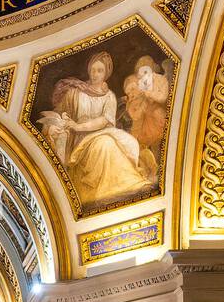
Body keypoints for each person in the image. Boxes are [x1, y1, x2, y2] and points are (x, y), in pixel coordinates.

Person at [39, 51, 147, 207]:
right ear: (89, 70)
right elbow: (59, 113)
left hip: (101, 133)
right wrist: (55, 126)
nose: (96, 74)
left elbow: (104, 121)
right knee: (105, 144)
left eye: (100, 70)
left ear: (106, 73)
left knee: (120, 142)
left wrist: (79, 125)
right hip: (80, 142)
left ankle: (128, 182)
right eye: (93, 70)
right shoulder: (75, 92)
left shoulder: (109, 96)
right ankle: (127, 183)